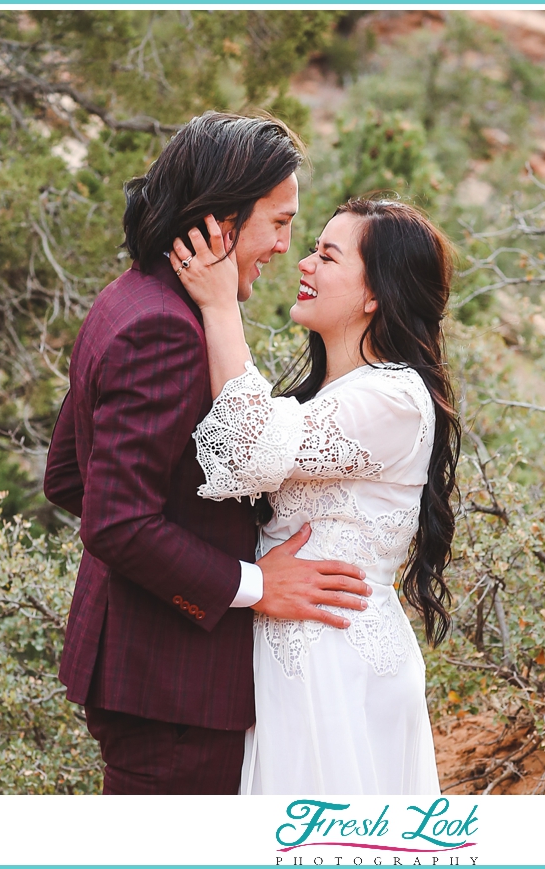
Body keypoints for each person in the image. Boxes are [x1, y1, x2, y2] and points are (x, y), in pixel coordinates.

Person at [43, 112, 372, 795]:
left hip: (148, 677)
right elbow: (114, 521)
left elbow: (69, 478)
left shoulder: (127, 300)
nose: (285, 246)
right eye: (278, 223)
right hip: (174, 690)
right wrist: (254, 583)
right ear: (222, 223)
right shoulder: (164, 330)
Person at [170, 198, 460, 794]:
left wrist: (221, 305)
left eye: (327, 256)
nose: (303, 263)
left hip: (337, 662)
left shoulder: (395, 399)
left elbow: (245, 452)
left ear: (375, 295)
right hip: (294, 657)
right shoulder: (331, 397)